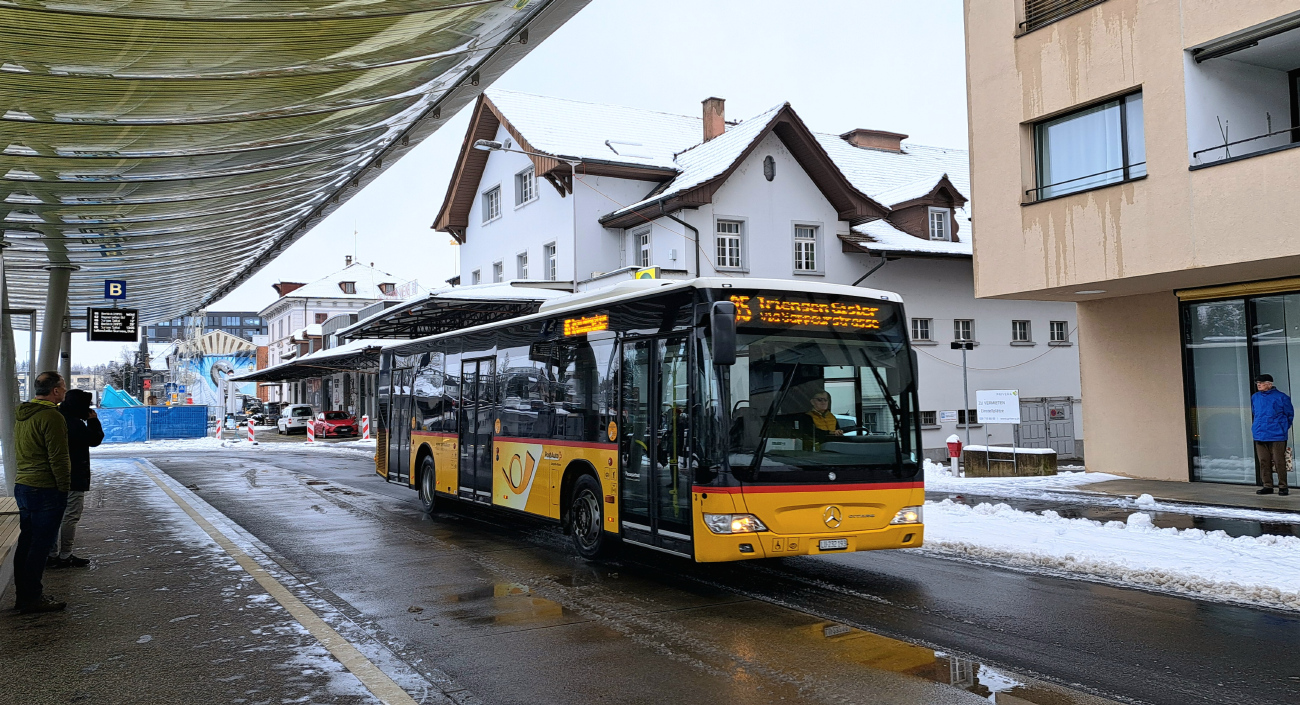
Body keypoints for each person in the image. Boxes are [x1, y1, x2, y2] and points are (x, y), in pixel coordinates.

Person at [12, 371, 71, 613]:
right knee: (40, 546)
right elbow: (58, 457)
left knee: (26, 542)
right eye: (63, 387)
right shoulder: (51, 416)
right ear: (55, 391)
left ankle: (24, 595)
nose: (65, 391)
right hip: (45, 487)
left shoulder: (23, 415)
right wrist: (64, 487)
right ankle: (31, 598)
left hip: (24, 485)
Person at [48, 389, 104, 568]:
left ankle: (52, 553)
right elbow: (94, 439)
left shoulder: (56, 418)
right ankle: (65, 555)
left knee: (54, 516)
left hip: (53, 476)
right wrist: (93, 420)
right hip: (73, 476)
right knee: (70, 516)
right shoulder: (74, 423)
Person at [1251, 373, 1293, 496]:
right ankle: (1267, 485)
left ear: (1269, 384)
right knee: (1263, 461)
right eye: (1257, 383)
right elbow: (1255, 412)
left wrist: (1282, 427)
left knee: (1279, 461)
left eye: (1261, 383)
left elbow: (1289, 414)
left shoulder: (1281, 397)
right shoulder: (1255, 397)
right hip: (1260, 433)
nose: (1259, 385)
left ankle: (1283, 486)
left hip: (1277, 434)